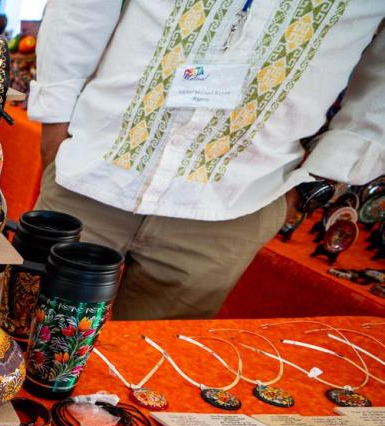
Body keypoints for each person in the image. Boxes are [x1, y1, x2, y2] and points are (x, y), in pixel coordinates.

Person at [29, 0, 385, 320]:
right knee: (20, 345)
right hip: (95, 164)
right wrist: (55, 118)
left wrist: (324, 178)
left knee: (148, 374)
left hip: (236, 200)